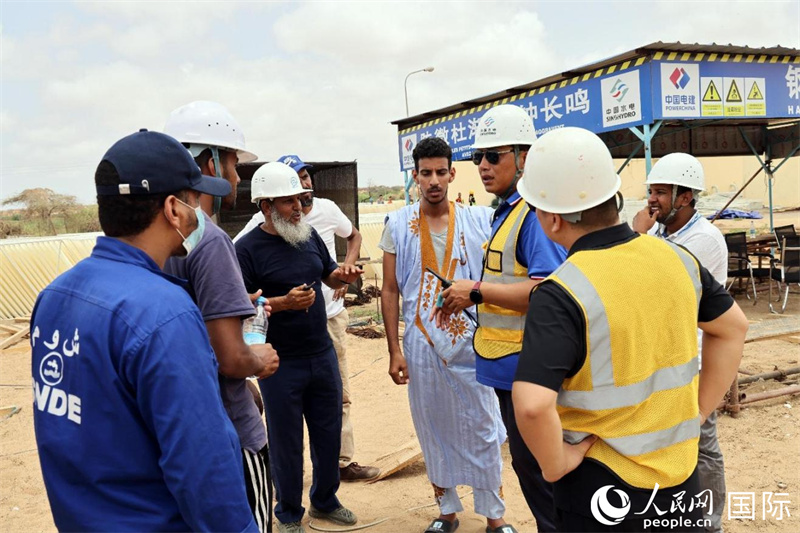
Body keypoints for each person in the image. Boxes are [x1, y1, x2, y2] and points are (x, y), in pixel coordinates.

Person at [512, 127, 748, 532]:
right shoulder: (678, 259)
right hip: (680, 484)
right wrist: (698, 412)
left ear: (551, 218)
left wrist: (555, 464)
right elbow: (733, 328)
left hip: (603, 495)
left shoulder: (561, 292)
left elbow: (532, 406)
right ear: (614, 198)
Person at [31, 129, 258, 532]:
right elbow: (202, 466)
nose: (198, 215)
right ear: (173, 209)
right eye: (194, 201)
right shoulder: (165, 313)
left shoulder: (54, 296)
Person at [436, 104, 566, 532]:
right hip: (510, 368)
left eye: (494, 155)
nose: (483, 166)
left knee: (545, 477)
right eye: (478, 157)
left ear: (524, 157)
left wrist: (475, 291)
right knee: (533, 472)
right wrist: (470, 295)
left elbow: (546, 291)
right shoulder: (507, 212)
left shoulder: (532, 216)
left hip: (530, 369)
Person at [380, 137, 514, 533]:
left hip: (472, 341)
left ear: (453, 173)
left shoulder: (480, 220)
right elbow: (389, 290)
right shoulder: (396, 225)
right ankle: (447, 512)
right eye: (426, 173)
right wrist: (394, 350)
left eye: (441, 172)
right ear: (415, 176)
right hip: (421, 346)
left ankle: (495, 516)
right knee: (433, 427)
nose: (434, 180)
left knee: (483, 426)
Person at [163, 101, 279, 532]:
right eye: (232, 163)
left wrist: (228, 302)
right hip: (233, 431)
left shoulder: (158, 236)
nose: (237, 177)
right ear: (210, 162)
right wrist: (259, 360)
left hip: (186, 423)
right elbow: (231, 360)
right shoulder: (210, 240)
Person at [234, 155, 379, 482]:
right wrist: (282, 303)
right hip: (280, 360)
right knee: (286, 438)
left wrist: (343, 276)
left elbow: (328, 274)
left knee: (328, 429)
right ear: (266, 206)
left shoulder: (308, 235)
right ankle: (288, 506)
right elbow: (240, 305)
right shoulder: (246, 249)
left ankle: (326, 500)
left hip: (321, 351)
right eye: (289, 201)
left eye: (299, 199)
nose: (299, 207)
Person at [632, 153, 729, 533]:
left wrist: (636, 238)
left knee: (701, 443)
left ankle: (710, 523)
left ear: (685, 197)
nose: (651, 199)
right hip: (662, 358)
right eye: (651, 191)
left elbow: (657, 287)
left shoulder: (703, 240)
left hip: (694, 360)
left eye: (660, 192)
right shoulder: (662, 234)